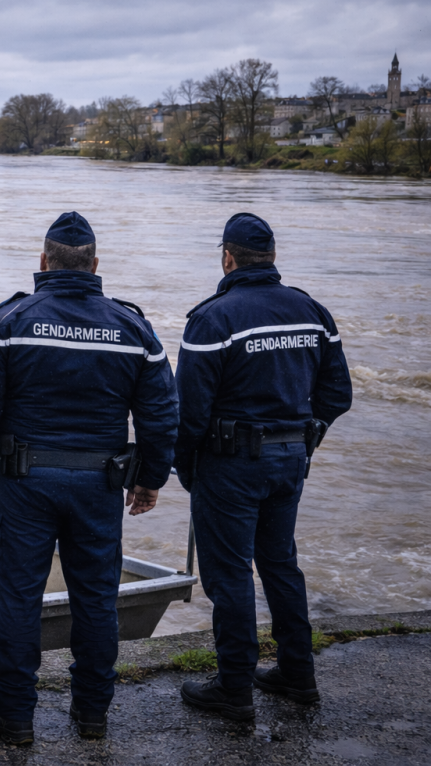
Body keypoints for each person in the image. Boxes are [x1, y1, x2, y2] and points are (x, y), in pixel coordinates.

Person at [0, 212, 179, 744]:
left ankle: (14, 717)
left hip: (27, 482)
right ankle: (92, 715)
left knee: (18, 597)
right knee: (96, 598)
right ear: (95, 265)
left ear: (43, 262)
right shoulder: (133, 328)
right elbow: (162, 413)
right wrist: (150, 478)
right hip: (99, 488)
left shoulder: (10, 321)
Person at [174, 212, 352, 720]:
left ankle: (234, 688)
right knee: (279, 564)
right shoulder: (311, 310)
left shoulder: (214, 318)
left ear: (227, 257)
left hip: (230, 466)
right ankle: (298, 673)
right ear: (272, 257)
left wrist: (186, 469)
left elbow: (189, 414)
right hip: (288, 460)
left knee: (229, 575)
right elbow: (338, 395)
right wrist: (303, 436)